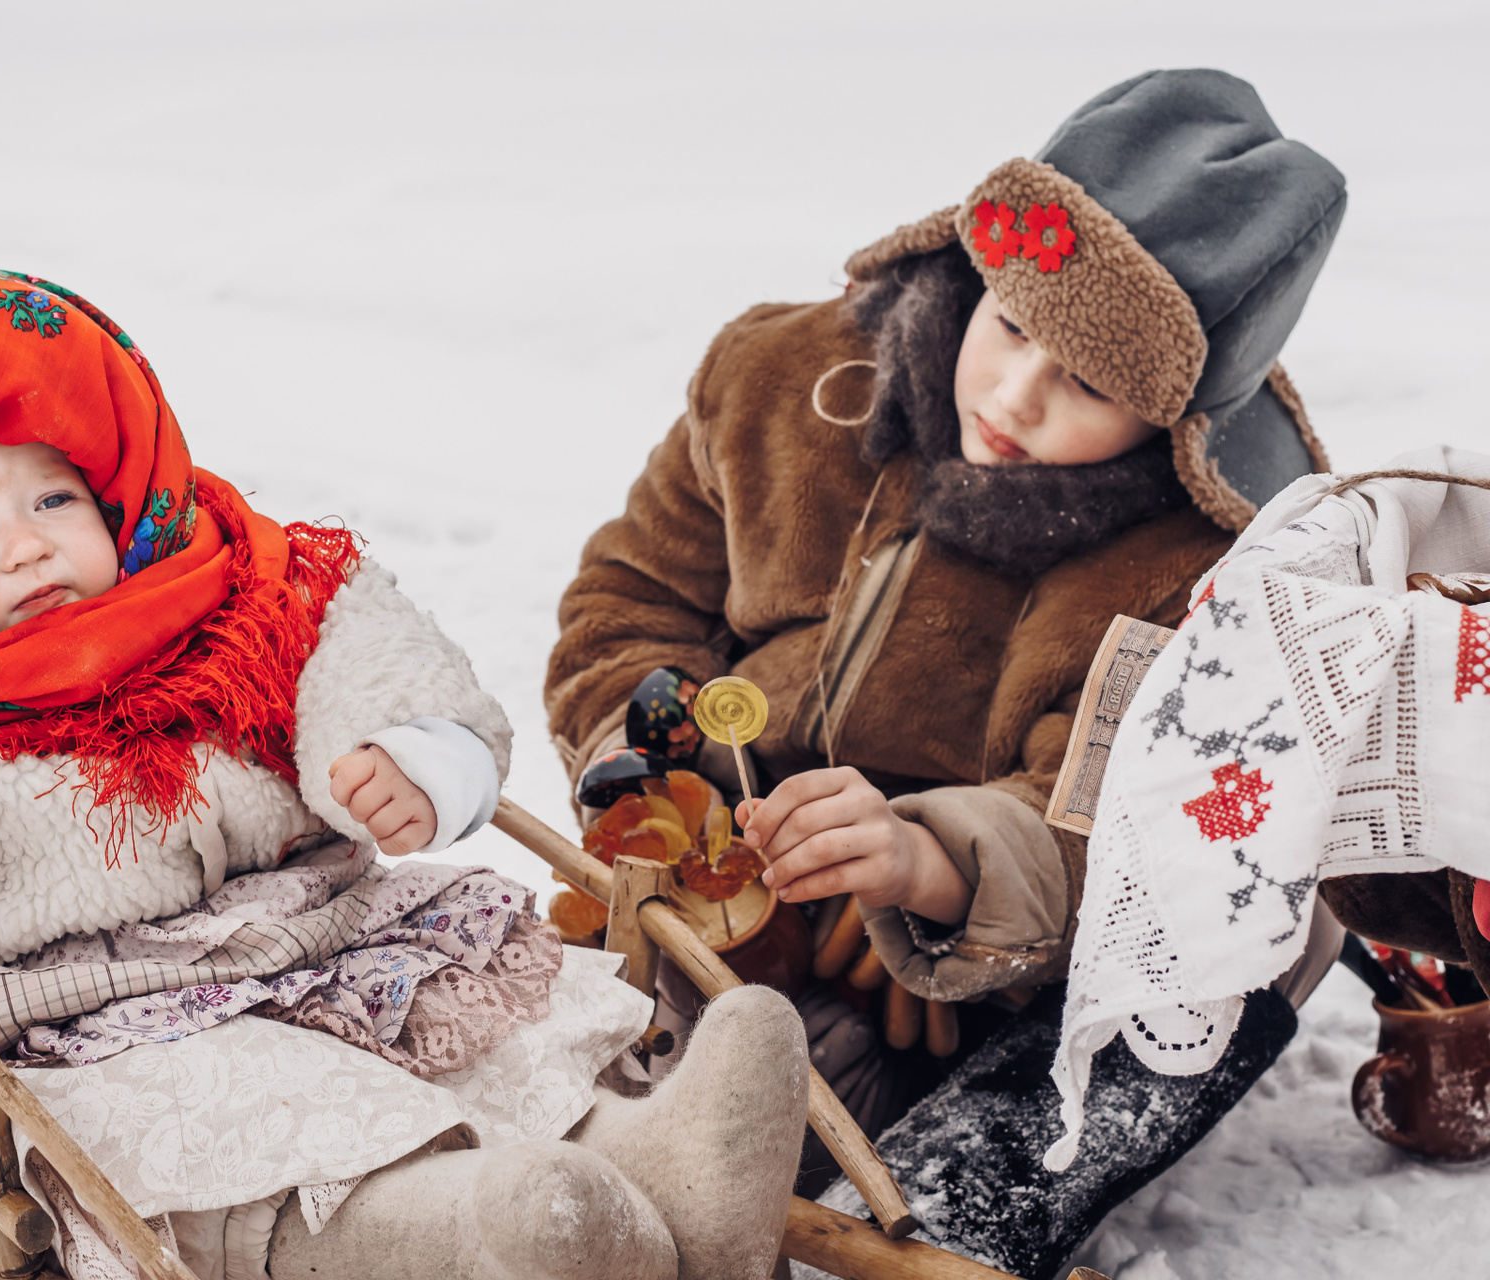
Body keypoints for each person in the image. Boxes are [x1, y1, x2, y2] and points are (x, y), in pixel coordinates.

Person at [0, 265, 809, 1280]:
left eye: (53, 497)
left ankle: (646, 1167)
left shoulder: (231, 596)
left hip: (309, 944)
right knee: (218, 1109)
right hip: (61, 1028)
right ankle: (476, 1229)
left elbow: (366, 650)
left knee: (487, 1039)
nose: (26, 543)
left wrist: (408, 751)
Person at [545, 69, 1349, 1275]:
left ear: (1177, 420)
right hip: (738, 878)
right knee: (592, 1079)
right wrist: (662, 783)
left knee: (1249, 925)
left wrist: (926, 868)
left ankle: (959, 1185)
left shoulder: (1195, 570)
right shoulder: (777, 383)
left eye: (1088, 383)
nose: (1016, 397)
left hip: (995, 972)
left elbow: (1111, 813)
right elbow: (630, 599)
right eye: (1011, 325)